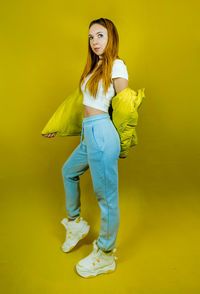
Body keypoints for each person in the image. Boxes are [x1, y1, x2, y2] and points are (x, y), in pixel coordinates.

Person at [43, 18, 129, 278]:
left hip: (102, 133)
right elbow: (78, 103)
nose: (95, 42)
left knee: (107, 199)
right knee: (68, 171)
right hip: (88, 133)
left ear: (110, 37)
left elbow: (125, 106)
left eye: (100, 35)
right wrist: (57, 124)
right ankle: (76, 224)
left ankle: (105, 254)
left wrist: (124, 140)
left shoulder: (116, 64)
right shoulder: (95, 67)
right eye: (91, 37)